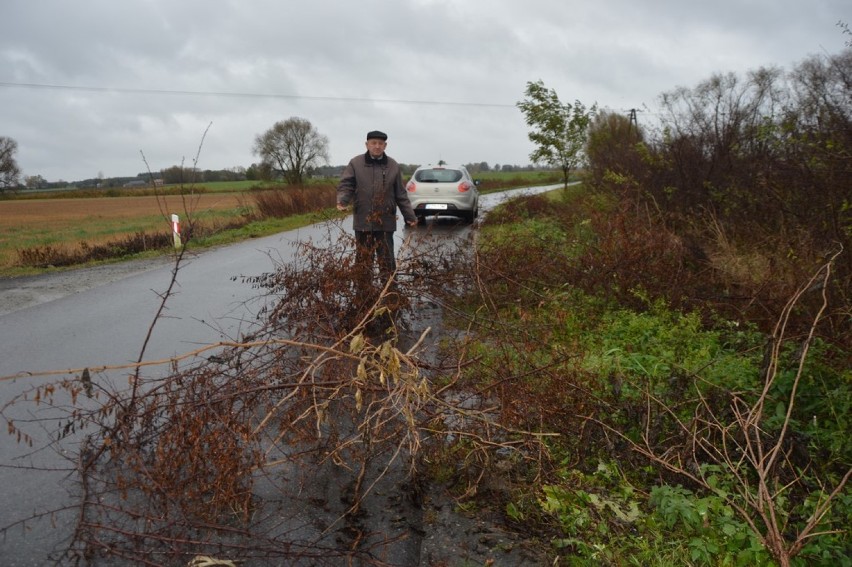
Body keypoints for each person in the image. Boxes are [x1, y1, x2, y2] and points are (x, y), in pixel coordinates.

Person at [336, 130, 418, 281]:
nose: (377, 146)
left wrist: (410, 216)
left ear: (385, 146)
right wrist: (343, 200)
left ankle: (388, 293)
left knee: (387, 261)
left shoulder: (393, 166)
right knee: (363, 261)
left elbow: (401, 194)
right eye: (373, 143)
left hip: (386, 221)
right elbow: (347, 185)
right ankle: (363, 295)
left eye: (380, 143)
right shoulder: (356, 163)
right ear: (367, 144)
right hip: (363, 220)